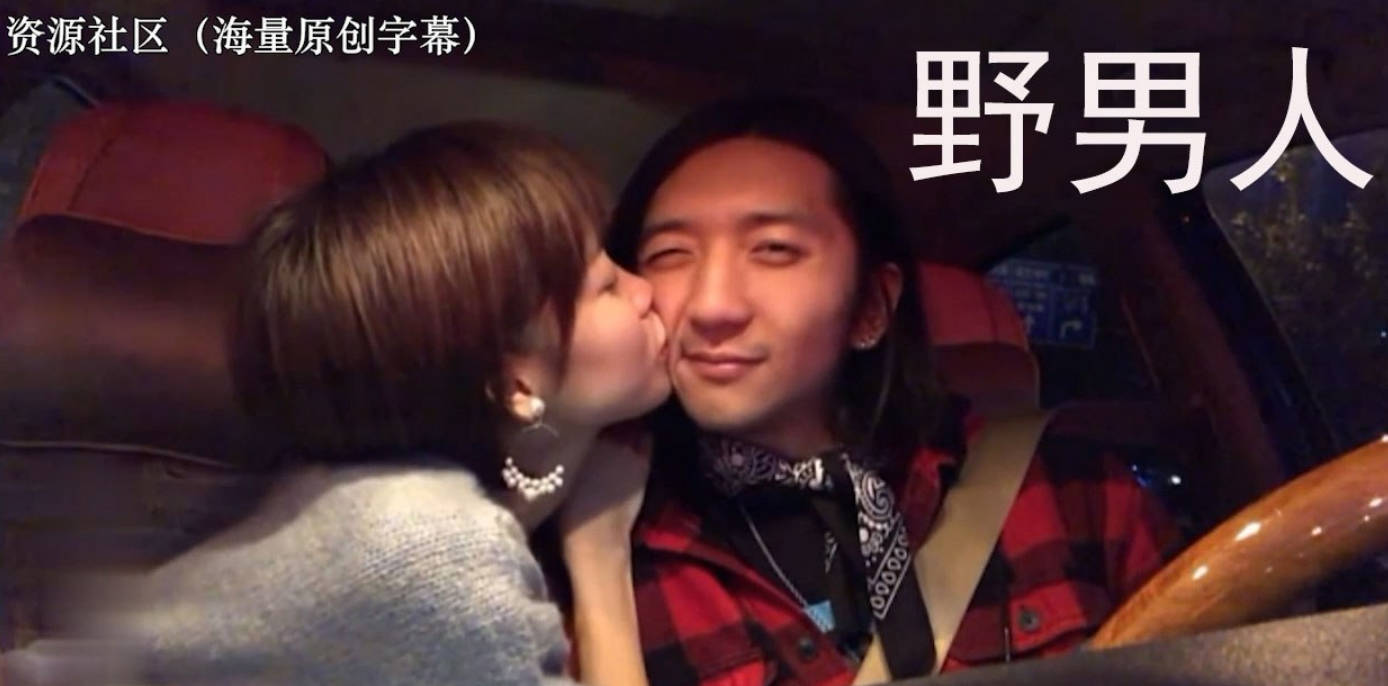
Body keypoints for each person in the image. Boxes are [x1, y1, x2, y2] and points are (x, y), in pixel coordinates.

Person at [4, 122, 665, 686]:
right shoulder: (436, 550)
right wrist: (601, 557)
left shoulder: (366, 492)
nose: (645, 291)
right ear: (514, 386)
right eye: (606, 285)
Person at [604, 95, 1182, 685]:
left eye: (774, 249)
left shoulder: (1074, 495)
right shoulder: (610, 547)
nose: (712, 306)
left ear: (871, 307)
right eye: (669, 254)